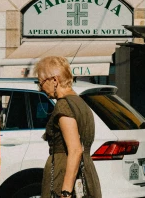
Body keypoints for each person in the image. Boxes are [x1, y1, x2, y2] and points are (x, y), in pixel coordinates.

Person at [35, 56, 101, 198]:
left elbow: (75, 150)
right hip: (86, 172)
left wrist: (65, 191)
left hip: (63, 174)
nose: (40, 88)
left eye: (41, 83)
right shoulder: (81, 103)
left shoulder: (64, 105)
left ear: (54, 80)